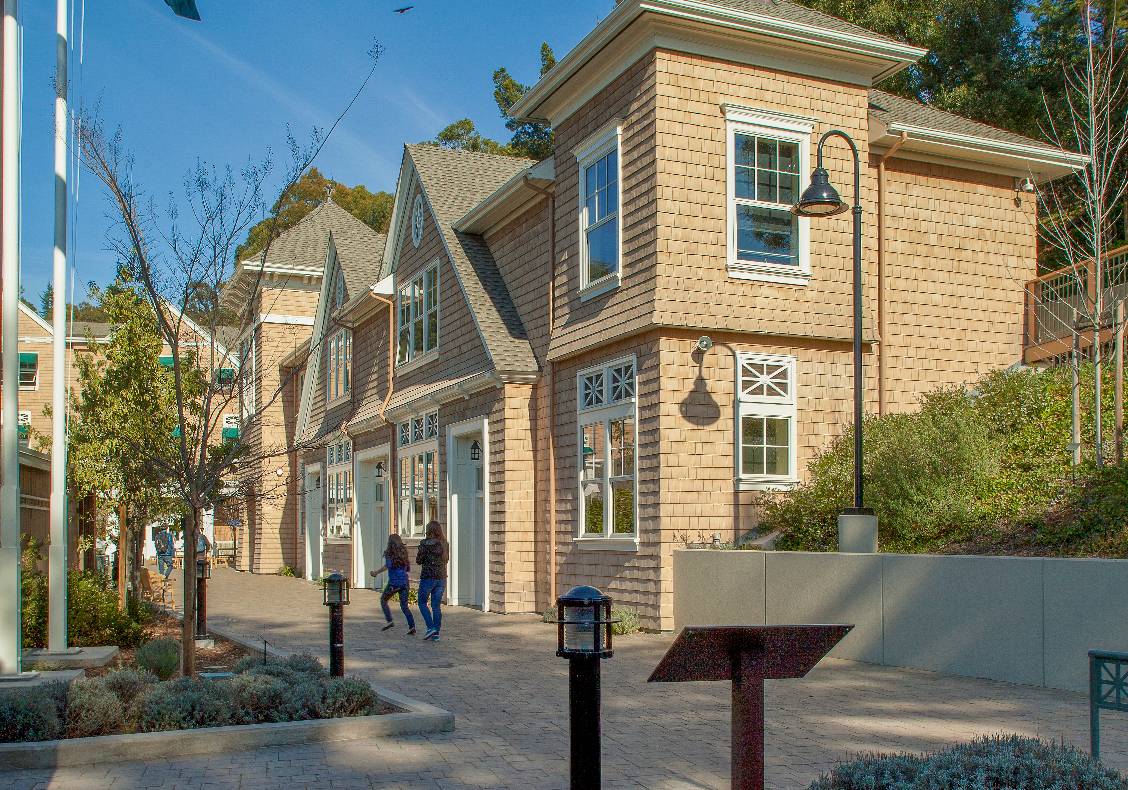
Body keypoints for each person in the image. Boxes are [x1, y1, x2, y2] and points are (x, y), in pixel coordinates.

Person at [371, 534, 416, 634]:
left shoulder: (390, 553)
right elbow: (407, 568)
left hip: (394, 583)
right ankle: (412, 626)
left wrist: (376, 572)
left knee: (383, 600)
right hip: (404, 582)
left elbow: (388, 566)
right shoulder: (404, 552)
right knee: (404, 606)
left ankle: (389, 620)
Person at [416, 521, 448, 641]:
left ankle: (430, 627)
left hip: (428, 577)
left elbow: (419, 560)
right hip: (441, 577)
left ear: (428, 530)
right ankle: (436, 634)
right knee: (436, 606)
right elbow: (446, 560)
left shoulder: (424, 544)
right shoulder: (444, 544)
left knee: (422, 602)